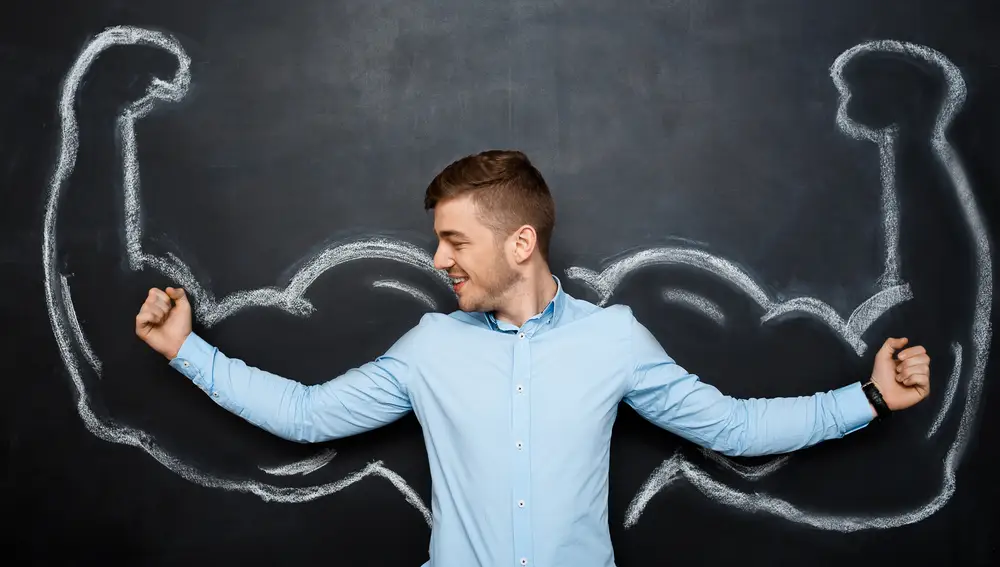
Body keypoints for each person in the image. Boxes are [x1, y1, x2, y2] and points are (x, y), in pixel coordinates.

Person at [135, 149, 931, 567]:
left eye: (454, 239)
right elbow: (307, 416)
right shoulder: (429, 346)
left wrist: (866, 396)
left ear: (521, 242)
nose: (438, 258)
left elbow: (728, 424)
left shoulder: (613, 339)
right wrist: (186, 352)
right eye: (436, 239)